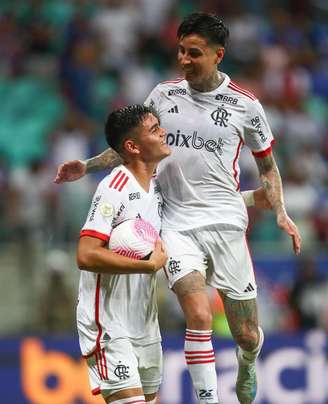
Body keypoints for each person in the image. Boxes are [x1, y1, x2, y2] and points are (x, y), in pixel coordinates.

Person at [56, 13, 301, 404]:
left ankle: (249, 359)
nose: (184, 60)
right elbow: (130, 142)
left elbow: (268, 168)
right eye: (181, 52)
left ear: (218, 55)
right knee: (198, 313)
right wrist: (86, 165)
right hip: (174, 222)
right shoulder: (163, 94)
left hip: (225, 223)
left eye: (194, 53)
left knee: (247, 334)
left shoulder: (246, 106)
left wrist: (281, 211)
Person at [76, 104, 169, 404]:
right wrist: (146, 266)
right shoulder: (113, 187)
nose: (163, 133)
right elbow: (86, 255)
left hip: (144, 321)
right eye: (154, 130)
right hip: (108, 323)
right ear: (132, 146)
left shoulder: (158, 187)